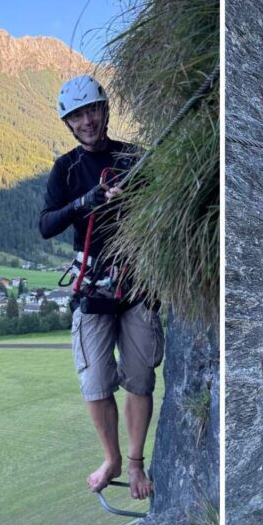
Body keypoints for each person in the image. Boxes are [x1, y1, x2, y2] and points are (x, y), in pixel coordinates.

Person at [38, 74, 164, 500]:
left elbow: (166, 207)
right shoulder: (67, 169)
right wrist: (85, 202)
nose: (87, 121)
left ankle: (134, 462)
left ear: (104, 110)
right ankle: (110, 457)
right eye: (77, 115)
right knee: (95, 381)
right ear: (68, 124)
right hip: (93, 287)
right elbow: (46, 225)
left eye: (91, 110)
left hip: (137, 283)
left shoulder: (136, 159)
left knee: (141, 376)